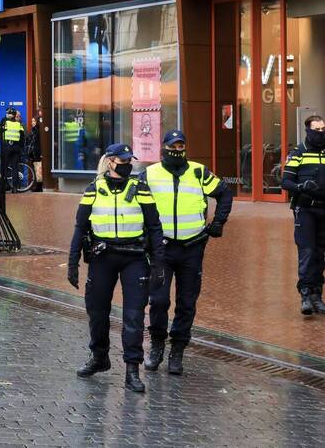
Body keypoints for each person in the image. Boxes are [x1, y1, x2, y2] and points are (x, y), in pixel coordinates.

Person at [67, 144, 165, 393]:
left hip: (134, 258)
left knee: (133, 315)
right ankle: (100, 357)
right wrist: (72, 263)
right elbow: (80, 227)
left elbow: (154, 227)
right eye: (122, 160)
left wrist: (158, 264)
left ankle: (132, 370)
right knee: (97, 312)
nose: (127, 164)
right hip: (103, 258)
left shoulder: (140, 188)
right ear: (110, 162)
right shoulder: (94, 189)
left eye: (129, 160)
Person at [139, 130, 233, 375]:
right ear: (164, 147)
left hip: (192, 247)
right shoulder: (149, 174)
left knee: (187, 302)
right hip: (162, 249)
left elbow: (224, 193)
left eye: (181, 146)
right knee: (158, 301)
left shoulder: (198, 171)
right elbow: (136, 205)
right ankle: (157, 344)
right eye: (173, 146)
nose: (177, 150)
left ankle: (178, 349)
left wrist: (217, 223)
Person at [281, 114, 325, 316]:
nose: (321, 133)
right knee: (307, 252)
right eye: (317, 130)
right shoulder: (298, 152)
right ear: (308, 130)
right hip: (305, 209)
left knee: (319, 254)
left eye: (323, 129)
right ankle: (305, 295)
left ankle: (317, 295)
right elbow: (286, 182)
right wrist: (301, 186)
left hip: (324, 210)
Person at [0, 107, 24, 192]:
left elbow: (0, 133)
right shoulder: (19, 124)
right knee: (15, 168)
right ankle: (15, 188)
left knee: (4, 167)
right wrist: (21, 148)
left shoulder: (6, 123)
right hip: (16, 148)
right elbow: (22, 137)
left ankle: (2, 187)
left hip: (7, 147)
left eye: (8, 113)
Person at [24, 115, 44, 192]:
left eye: (34, 121)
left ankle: (39, 186)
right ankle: (38, 185)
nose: (32, 123)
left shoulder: (37, 131)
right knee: (36, 169)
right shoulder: (33, 130)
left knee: (38, 169)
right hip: (34, 152)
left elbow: (35, 143)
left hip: (37, 152)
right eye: (32, 121)